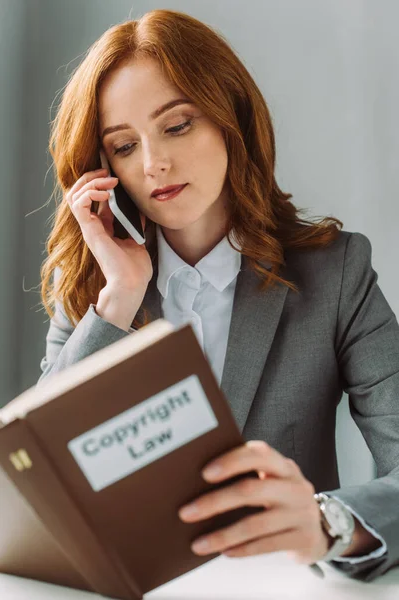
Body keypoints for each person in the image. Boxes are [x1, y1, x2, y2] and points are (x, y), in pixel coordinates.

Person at [38, 9, 399, 582]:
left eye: (177, 125)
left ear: (231, 117)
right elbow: (40, 486)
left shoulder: (337, 273)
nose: (154, 162)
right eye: (125, 146)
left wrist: (330, 524)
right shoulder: (92, 286)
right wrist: (119, 298)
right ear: (104, 167)